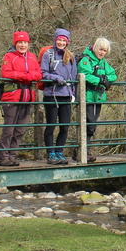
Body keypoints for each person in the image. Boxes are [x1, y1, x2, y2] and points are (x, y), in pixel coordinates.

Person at [0, 31, 42, 166]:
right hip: (12, 97)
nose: (23, 45)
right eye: (20, 42)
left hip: (27, 97)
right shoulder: (9, 57)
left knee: (20, 130)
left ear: (28, 44)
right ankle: (3, 157)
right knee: (9, 129)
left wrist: (23, 75)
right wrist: (27, 76)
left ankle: (12, 156)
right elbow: (6, 73)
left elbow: (39, 74)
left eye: (25, 43)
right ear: (15, 43)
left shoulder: (32, 57)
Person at [40, 28, 77, 165]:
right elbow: (43, 73)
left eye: (64, 40)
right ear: (55, 40)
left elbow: (74, 77)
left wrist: (73, 94)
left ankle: (59, 151)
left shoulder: (71, 57)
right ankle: (51, 153)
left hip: (66, 95)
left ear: (67, 42)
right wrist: (56, 78)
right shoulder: (48, 55)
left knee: (64, 126)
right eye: (59, 40)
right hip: (52, 95)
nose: (61, 42)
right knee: (51, 125)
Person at [78, 37, 118, 163]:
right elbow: (84, 75)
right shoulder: (86, 60)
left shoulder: (103, 63)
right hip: (87, 96)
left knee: (92, 124)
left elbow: (113, 74)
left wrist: (104, 78)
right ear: (95, 48)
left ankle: (86, 150)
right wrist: (100, 80)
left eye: (104, 51)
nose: (102, 52)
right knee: (87, 123)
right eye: (100, 49)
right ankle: (82, 151)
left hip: (98, 97)